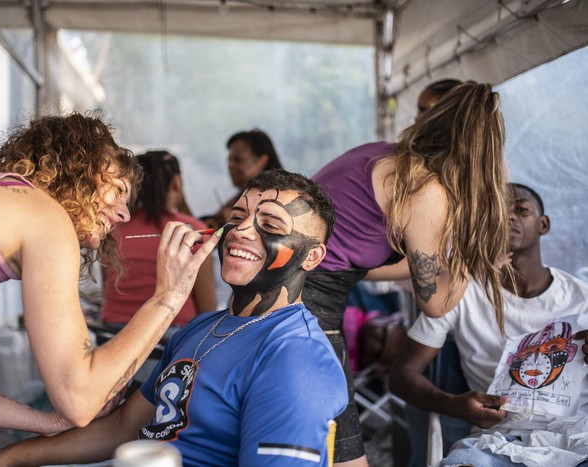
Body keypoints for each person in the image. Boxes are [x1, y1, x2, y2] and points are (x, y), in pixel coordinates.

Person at [0, 169, 352, 467]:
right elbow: (123, 428)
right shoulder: (200, 328)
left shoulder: (294, 357)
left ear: (312, 256)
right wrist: (4, 460)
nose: (241, 231)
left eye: (269, 225)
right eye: (237, 215)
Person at [0, 112, 222, 436]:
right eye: (118, 189)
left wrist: (49, 423)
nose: (123, 214)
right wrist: (168, 296)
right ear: (78, 168)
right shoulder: (46, 218)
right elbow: (79, 398)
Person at [303, 82, 511, 465]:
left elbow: (360, 265)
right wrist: (469, 256)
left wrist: (451, 262)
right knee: (341, 444)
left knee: (328, 438)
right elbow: (434, 303)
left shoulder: (382, 157)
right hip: (304, 305)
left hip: (300, 291)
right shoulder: (426, 187)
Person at [389, 183, 588, 466]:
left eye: (521, 209)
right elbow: (401, 375)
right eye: (497, 210)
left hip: (577, 439)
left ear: (543, 225)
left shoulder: (583, 299)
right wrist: (453, 404)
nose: (508, 217)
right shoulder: (457, 295)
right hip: (496, 443)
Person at [101, 150, 217, 328]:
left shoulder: (112, 227)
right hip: (170, 338)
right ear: (176, 183)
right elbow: (207, 311)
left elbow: (105, 288)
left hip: (111, 333)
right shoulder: (193, 232)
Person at [202, 128, 283, 230]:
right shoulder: (239, 196)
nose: (230, 165)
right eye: (229, 160)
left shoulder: (276, 199)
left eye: (237, 159)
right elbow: (202, 227)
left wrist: (234, 224)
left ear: (262, 161)